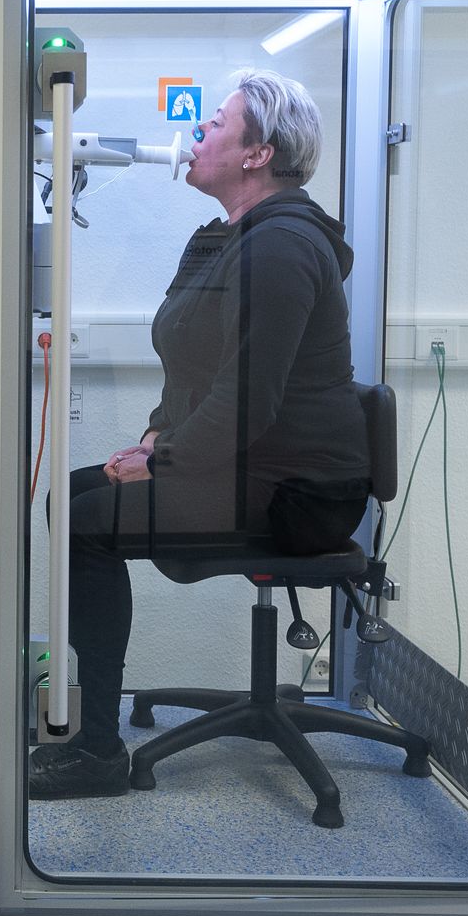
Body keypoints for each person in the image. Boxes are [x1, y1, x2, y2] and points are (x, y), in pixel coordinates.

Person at [29, 69, 369, 798]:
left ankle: (97, 753)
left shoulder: (282, 249)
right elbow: (192, 368)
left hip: (297, 496)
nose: (196, 136)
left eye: (215, 124)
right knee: (71, 498)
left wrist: (168, 459)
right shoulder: (224, 241)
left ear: (257, 153)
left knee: (86, 521)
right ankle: (90, 734)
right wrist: (157, 438)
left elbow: (249, 400)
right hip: (248, 468)